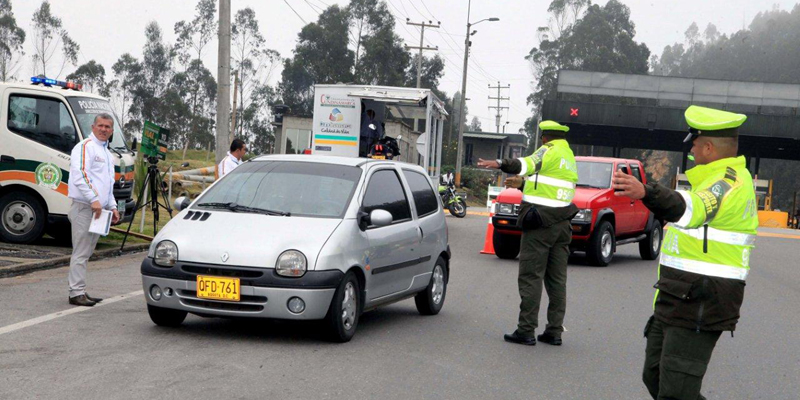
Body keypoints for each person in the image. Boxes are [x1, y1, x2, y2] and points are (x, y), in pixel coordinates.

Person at [613, 105, 758, 400]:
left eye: (694, 142)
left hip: (702, 299)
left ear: (708, 146)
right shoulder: (708, 178)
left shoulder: (729, 182)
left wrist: (647, 192)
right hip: (678, 295)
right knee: (654, 374)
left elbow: (694, 208)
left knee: (676, 392)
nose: (690, 147)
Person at [478, 120, 579, 346]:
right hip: (562, 224)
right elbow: (551, 188)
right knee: (557, 281)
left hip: (540, 223)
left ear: (545, 137)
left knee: (531, 277)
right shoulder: (569, 157)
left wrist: (499, 162)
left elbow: (525, 164)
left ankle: (526, 330)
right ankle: (554, 331)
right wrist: (523, 185)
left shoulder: (549, 150)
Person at [66, 113, 120, 307]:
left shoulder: (107, 153)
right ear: (93, 126)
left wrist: (112, 206)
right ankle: (76, 293)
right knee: (80, 251)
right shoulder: (85, 147)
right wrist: (94, 199)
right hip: (85, 207)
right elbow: (80, 175)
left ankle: (80, 290)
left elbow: (108, 183)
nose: (104, 129)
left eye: (108, 127)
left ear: (112, 130)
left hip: (100, 210)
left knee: (87, 251)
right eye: (101, 126)